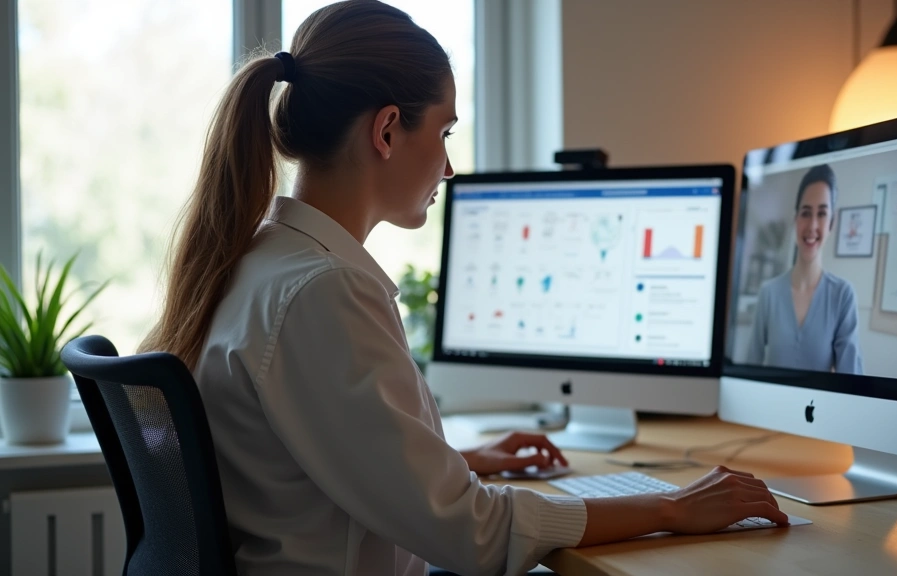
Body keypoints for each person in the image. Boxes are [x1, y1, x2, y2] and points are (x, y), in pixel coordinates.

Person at [140, 1, 787, 574]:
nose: (449, 167)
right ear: (387, 130)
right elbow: (473, 537)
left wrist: (459, 462)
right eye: (444, 132)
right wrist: (672, 507)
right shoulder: (321, 293)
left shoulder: (261, 262)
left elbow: (319, 462)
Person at [747, 164, 864, 375]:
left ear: (831, 223)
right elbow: (749, 369)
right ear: (795, 220)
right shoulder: (769, 293)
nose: (812, 226)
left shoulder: (842, 296)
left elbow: (852, 383)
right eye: (806, 213)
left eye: (821, 214)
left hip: (817, 409)